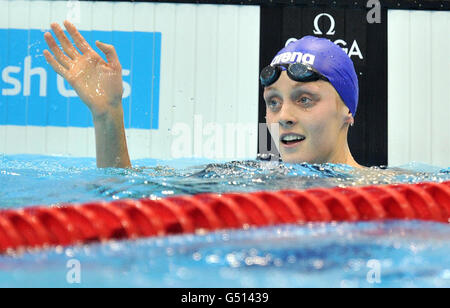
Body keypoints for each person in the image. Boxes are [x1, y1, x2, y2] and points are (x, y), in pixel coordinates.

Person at [43, 20, 363, 169]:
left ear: (347, 110)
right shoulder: (246, 181)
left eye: (304, 99)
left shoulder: (392, 188)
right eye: (273, 103)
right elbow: (122, 203)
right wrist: (107, 114)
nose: (285, 117)